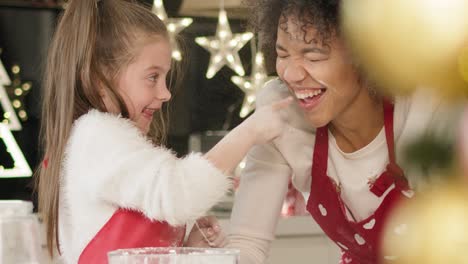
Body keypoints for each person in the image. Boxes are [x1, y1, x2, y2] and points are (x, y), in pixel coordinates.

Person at [35, 0, 292, 263]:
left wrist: (184, 247)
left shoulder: (100, 141)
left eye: (164, 78)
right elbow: (178, 193)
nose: (165, 93)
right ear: (99, 78)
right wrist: (250, 131)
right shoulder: (97, 137)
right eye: (152, 77)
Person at [227, 0, 463, 263]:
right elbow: (247, 242)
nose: (291, 74)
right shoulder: (280, 112)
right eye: (282, 55)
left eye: (313, 56)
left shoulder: (425, 108)